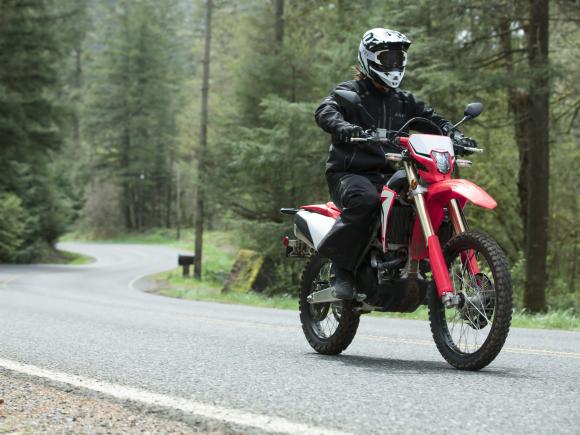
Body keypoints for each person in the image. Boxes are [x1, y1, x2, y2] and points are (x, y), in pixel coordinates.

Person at [314, 28, 476, 300]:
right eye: (387, 58)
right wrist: (343, 127)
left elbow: (431, 119)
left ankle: (418, 262)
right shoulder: (350, 92)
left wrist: (455, 134)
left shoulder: (404, 100)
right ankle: (340, 270)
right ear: (369, 58)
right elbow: (325, 110)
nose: (394, 65)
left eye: (398, 58)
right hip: (349, 174)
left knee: (424, 199)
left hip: (389, 174)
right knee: (365, 201)